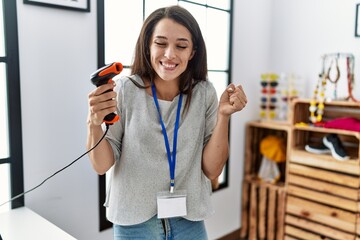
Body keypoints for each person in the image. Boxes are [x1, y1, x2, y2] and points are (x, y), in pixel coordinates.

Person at [87, 5, 247, 240]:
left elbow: (213, 169)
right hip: (134, 223)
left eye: (181, 46)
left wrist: (224, 116)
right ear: (148, 46)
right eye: (160, 43)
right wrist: (93, 123)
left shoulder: (204, 93)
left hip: (188, 220)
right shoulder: (124, 90)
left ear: (192, 52)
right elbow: (101, 166)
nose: (170, 54)